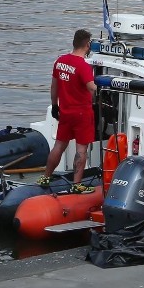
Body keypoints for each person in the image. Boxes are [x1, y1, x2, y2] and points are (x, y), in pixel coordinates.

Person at [37, 28, 97, 193]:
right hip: (82, 113)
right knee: (81, 150)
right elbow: (92, 88)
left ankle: (46, 177)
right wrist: (100, 89)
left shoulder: (60, 61)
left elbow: (54, 86)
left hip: (65, 111)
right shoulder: (83, 66)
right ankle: (76, 185)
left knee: (59, 146)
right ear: (87, 44)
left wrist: (55, 106)